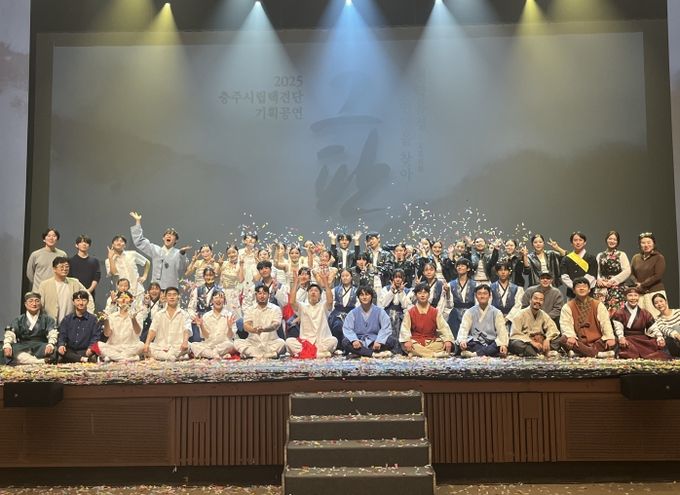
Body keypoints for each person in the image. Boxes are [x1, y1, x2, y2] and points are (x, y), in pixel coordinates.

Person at [129, 211, 191, 289]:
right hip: (156, 288)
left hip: (171, 289)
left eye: (172, 235)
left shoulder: (179, 253)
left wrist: (182, 254)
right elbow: (139, 242)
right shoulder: (155, 250)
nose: (169, 236)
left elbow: (183, 268)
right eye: (167, 234)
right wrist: (138, 222)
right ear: (163, 238)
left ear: (176, 240)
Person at [559, 277, 616, 358]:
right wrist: (571, 336)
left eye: (584, 287)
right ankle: (596, 354)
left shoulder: (598, 305)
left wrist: (609, 337)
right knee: (563, 340)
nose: (581, 288)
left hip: (597, 341)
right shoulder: (567, 306)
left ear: (589, 290)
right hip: (578, 341)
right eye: (578, 287)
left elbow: (605, 323)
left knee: (613, 340)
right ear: (573, 290)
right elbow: (565, 324)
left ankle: (581, 353)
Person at [286, 270, 338, 358]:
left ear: (320, 295)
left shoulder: (323, 306)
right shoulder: (302, 306)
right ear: (308, 294)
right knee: (289, 341)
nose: (313, 292)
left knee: (333, 340)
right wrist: (296, 283)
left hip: (321, 341)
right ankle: (319, 354)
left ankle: (307, 353)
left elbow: (330, 301)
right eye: (311, 291)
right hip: (306, 343)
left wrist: (325, 282)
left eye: (316, 291)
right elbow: (292, 302)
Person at [610, 287, 669, 360]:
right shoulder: (619, 312)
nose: (633, 298)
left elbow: (653, 328)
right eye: (630, 295)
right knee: (626, 346)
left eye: (636, 295)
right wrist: (621, 337)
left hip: (642, 339)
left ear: (639, 297)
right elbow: (618, 328)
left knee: (655, 343)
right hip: (627, 339)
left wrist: (659, 337)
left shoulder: (645, 313)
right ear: (626, 297)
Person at [342, 286, 399, 358]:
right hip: (359, 341)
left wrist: (379, 341)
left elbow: (386, 328)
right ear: (358, 297)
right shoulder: (353, 313)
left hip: (374, 341)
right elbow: (347, 329)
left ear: (371, 296)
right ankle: (373, 354)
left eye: (367, 294)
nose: (364, 297)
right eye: (361, 295)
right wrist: (354, 340)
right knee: (345, 341)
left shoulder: (380, 311)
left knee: (391, 340)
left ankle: (360, 353)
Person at [399, 282, 454, 358]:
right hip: (416, 341)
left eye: (425, 293)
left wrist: (447, 340)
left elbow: (444, 327)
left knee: (442, 344)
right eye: (419, 293)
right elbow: (405, 329)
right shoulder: (410, 312)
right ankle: (434, 355)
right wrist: (407, 340)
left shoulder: (435, 312)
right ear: (416, 295)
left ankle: (418, 353)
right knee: (408, 345)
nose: (422, 295)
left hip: (431, 341)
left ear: (429, 294)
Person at [2, 292, 58, 365]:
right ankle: (39, 362)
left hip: (40, 346)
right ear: (25, 304)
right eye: (31, 301)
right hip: (23, 346)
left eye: (37, 301)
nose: (34, 304)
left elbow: (52, 333)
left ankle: (26, 361)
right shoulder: (19, 319)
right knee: (10, 349)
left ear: (40, 304)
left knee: (54, 350)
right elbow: (10, 333)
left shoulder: (48, 319)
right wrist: (7, 345)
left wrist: (50, 344)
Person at [234, 284, 285, 359]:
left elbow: (276, 324)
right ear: (256, 295)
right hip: (253, 342)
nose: (262, 296)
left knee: (282, 343)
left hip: (270, 342)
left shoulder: (276, 309)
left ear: (269, 295)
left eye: (264, 293)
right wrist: (254, 330)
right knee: (237, 342)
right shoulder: (250, 309)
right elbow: (246, 326)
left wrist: (264, 329)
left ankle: (252, 354)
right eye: (260, 293)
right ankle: (268, 355)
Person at [38, 257, 94, 325]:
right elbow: (40, 304)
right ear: (54, 269)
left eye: (67, 267)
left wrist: (89, 316)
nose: (65, 269)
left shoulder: (75, 283)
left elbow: (88, 297)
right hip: (50, 324)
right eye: (62, 267)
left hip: (71, 324)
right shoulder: (44, 285)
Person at [457, 285, 508, 358]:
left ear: (490, 296)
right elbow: (464, 328)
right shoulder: (469, 312)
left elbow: (502, 330)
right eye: (479, 294)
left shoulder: (497, 312)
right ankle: (487, 353)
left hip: (491, 341)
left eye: (485, 293)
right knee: (468, 344)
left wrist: (503, 344)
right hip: (476, 342)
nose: (482, 296)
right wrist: (462, 340)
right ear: (476, 296)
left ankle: (475, 354)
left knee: (498, 345)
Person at [144, 286, 192, 361]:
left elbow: (187, 329)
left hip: (178, 346)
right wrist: (147, 344)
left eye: (174, 295)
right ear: (165, 298)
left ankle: (167, 356)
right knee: (148, 347)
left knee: (189, 346)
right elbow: (152, 330)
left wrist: (185, 342)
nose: (172, 297)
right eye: (169, 295)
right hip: (161, 346)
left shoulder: (184, 314)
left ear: (178, 297)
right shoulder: (159, 314)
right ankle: (172, 357)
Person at [509, 291, 561, 358]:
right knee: (515, 344)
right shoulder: (520, 314)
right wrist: (531, 342)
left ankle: (543, 351)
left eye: (541, 300)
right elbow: (515, 334)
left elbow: (553, 329)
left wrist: (547, 339)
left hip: (540, 342)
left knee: (559, 339)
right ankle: (539, 354)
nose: (538, 301)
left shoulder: (543, 314)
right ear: (530, 300)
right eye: (535, 298)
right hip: (528, 343)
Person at [96, 291, 144, 362]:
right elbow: (107, 334)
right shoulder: (112, 316)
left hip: (130, 347)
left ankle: (113, 357)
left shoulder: (137, 315)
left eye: (126, 297)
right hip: (114, 347)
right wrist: (106, 321)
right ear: (117, 301)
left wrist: (133, 319)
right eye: (121, 297)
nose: (123, 299)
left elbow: (138, 332)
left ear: (131, 301)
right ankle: (129, 358)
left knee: (141, 345)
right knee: (98, 345)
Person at [56, 290, 102, 363]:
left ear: (87, 302)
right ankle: (83, 359)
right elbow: (62, 335)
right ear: (73, 302)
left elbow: (96, 337)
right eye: (78, 300)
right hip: (70, 350)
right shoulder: (67, 319)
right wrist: (61, 345)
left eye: (84, 300)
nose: (81, 303)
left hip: (85, 350)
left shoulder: (93, 319)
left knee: (94, 351)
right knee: (60, 350)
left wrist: (91, 348)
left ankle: (80, 358)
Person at [190, 291, 238, 359]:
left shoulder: (229, 315)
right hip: (209, 345)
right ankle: (216, 355)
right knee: (193, 345)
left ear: (224, 301)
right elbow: (205, 336)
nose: (218, 300)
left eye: (221, 298)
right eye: (216, 298)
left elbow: (230, 336)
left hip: (223, 345)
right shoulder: (206, 316)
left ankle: (212, 354)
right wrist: (201, 326)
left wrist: (230, 327)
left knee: (230, 344)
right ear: (212, 301)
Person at [630, 232, 666, 316]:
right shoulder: (636, 257)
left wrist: (642, 284)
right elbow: (631, 274)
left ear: (653, 244)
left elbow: (657, 275)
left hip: (654, 293)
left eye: (649, 242)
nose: (646, 245)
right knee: (640, 319)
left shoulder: (659, 257)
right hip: (640, 293)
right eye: (643, 243)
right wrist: (636, 283)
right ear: (640, 245)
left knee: (656, 317)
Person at [595, 230, 631, 314]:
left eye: (614, 239)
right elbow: (596, 270)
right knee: (601, 313)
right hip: (602, 287)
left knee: (616, 313)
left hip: (617, 287)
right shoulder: (600, 255)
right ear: (606, 240)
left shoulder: (621, 254)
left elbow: (627, 270)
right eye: (610, 239)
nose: (612, 241)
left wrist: (613, 280)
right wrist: (598, 279)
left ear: (617, 242)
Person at [106, 234, 150, 302]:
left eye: (121, 241)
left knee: (141, 309)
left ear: (125, 245)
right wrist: (111, 259)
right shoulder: (108, 261)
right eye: (117, 241)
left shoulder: (132, 254)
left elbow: (147, 262)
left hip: (138, 291)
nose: (119, 242)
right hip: (123, 294)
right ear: (112, 244)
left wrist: (144, 276)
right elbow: (114, 273)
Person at [26, 227, 67, 292]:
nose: (51, 238)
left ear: (57, 239)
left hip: (56, 290)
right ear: (44, 239)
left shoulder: (62, 254)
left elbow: (65, 272)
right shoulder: (35, 254)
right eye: (48, 236)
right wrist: (38, 284)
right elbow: (30, 273)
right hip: (38, 291)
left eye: (54, 236)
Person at [187, 267, 222, 342]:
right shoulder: (197, 290)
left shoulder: (220, 290)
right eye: (206, 275)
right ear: (203, 277)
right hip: (200, 319)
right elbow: (190, 308)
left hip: (214, 319)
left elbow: (223, 308)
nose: (208, 277)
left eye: (211, 275)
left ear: (214, 276)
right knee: (197, 341)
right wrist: (195, 318)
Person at [560, 232, 598, 299]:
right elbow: (564, 276)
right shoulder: (566, 259)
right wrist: (574, 287)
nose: (578, 242)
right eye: (575, 240)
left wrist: (583, 288)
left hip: (588, 294)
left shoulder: (591, 258)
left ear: (585, 242)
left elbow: (592, 275)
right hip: (572, 293)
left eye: (580, 240)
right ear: (571, 243)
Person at [379, 269, 413, 343]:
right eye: (396, 277)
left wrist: (401, 292)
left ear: (403, 278)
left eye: (400, 277)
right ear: (393, 278)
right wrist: (391, 291)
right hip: (387, 315)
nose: (398, 279)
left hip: (401, 317)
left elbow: (405, 305)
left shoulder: (408, 291)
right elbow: (384, 303)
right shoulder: (385, 289)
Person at [490, 261, 524, 332]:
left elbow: (518, 305)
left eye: (505, 270)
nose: (503, 272)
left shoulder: (517, 288)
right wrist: (498, 316)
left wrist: (507, 318)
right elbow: (489, 305)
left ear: (509, 272)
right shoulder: (491, 288)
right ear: (496, 273)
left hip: (511, 320)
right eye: (500, 270)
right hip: (494, 319)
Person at [447, 258, 476, 338]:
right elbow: (449, 305)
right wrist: (447, 293)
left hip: (471, 313)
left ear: (468, 268)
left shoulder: (475, 284)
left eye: (462, 265)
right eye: (458, 266)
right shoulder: (450, 284)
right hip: (455, 314)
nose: (459, 267)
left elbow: (477, 303)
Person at [327, 269, 358, 343]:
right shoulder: (335, 290)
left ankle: (348, 345)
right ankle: (337, 345)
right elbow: (330, 302)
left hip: (351, 313)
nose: (345, 278)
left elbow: (358, 305)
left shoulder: (356, 290)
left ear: (351, 277)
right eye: (343, 276)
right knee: (337, 325)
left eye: (347, 276)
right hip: (337, 313)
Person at [68, 235, 101, 300]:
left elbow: (96, 277)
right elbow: (69, 278)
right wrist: (76, 292)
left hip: (90, 293)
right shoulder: (71, 261)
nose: (84, 244)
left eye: (86, 242)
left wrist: (89, 291)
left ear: (89, 245)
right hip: (74, 294)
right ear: (76, 245)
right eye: (81, 242)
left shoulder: (94, 261)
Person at [218, 244, 244, 316]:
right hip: (222, 292)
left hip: (233, 293)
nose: (231, 255)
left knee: (234, 315)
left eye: (233, 252)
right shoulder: (223, 263)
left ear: (237, 252)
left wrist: (241, 266)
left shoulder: (240, 265)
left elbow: (241, 280)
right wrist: (219, 265)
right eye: (229, 253)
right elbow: (216, 275)